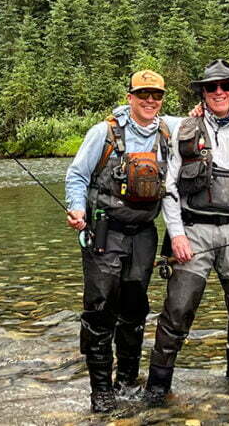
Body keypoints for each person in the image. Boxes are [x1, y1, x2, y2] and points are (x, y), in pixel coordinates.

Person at [144, 59, 229, 406]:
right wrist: (176, 234)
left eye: (226, 87)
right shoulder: (184, 130)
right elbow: (170, 188)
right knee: (177, 310)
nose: (219, 92)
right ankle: (157, 387)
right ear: (202, 93)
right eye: (211, 87)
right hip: (194, 231)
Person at [64, 70, 179, 413]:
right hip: (104, 230)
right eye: (142, 94)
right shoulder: (104, 132)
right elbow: (77, 174)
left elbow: (204, 117)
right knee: (100, 310)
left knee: (135, 307)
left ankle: (127, 380)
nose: (149, 101)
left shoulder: (168, 130)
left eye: (156, 96)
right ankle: (100, 390)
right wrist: (75, 209)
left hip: (144, 234)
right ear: (130, 96)